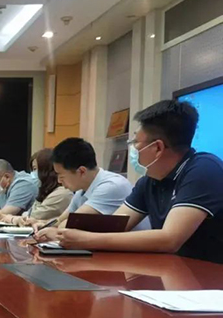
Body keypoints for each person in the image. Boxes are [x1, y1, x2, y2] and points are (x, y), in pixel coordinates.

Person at [49, 100, 223, 264]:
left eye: (136, 143)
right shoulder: (149, 181)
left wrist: (87, 240)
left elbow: (169, 239)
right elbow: (115, 225)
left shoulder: (204, 169)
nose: (133, 149)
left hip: (211, 275)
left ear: (157, 148)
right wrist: (63, 233)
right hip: (177, 270)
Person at [34, 137, 144, 242]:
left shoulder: (111, 186)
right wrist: (44, 225)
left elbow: (71, 224)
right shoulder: (82, 190)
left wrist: (54, 230)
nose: (59, 181)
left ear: (81, 171)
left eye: (61, 176)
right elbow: (61, 220)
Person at [0, 149, 72, 225]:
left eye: (35, 169)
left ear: (47, 170)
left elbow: (31, 218)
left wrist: (10, 218)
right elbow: (29, 214)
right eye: (33, 170)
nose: (33, 174)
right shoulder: (45, 192)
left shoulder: (61, 193)